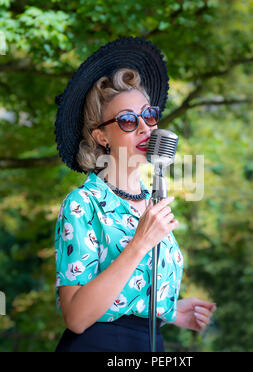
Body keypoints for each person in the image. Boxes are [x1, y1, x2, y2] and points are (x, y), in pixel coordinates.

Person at [53, 36, 216, 352]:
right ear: (101, 135)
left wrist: (170, 311)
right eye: (128, 120)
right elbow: (76, 316)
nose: (145, 127)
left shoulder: (152, 201)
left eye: (149, 115)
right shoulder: (83, 204)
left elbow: (125, 295)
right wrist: (140, 242)